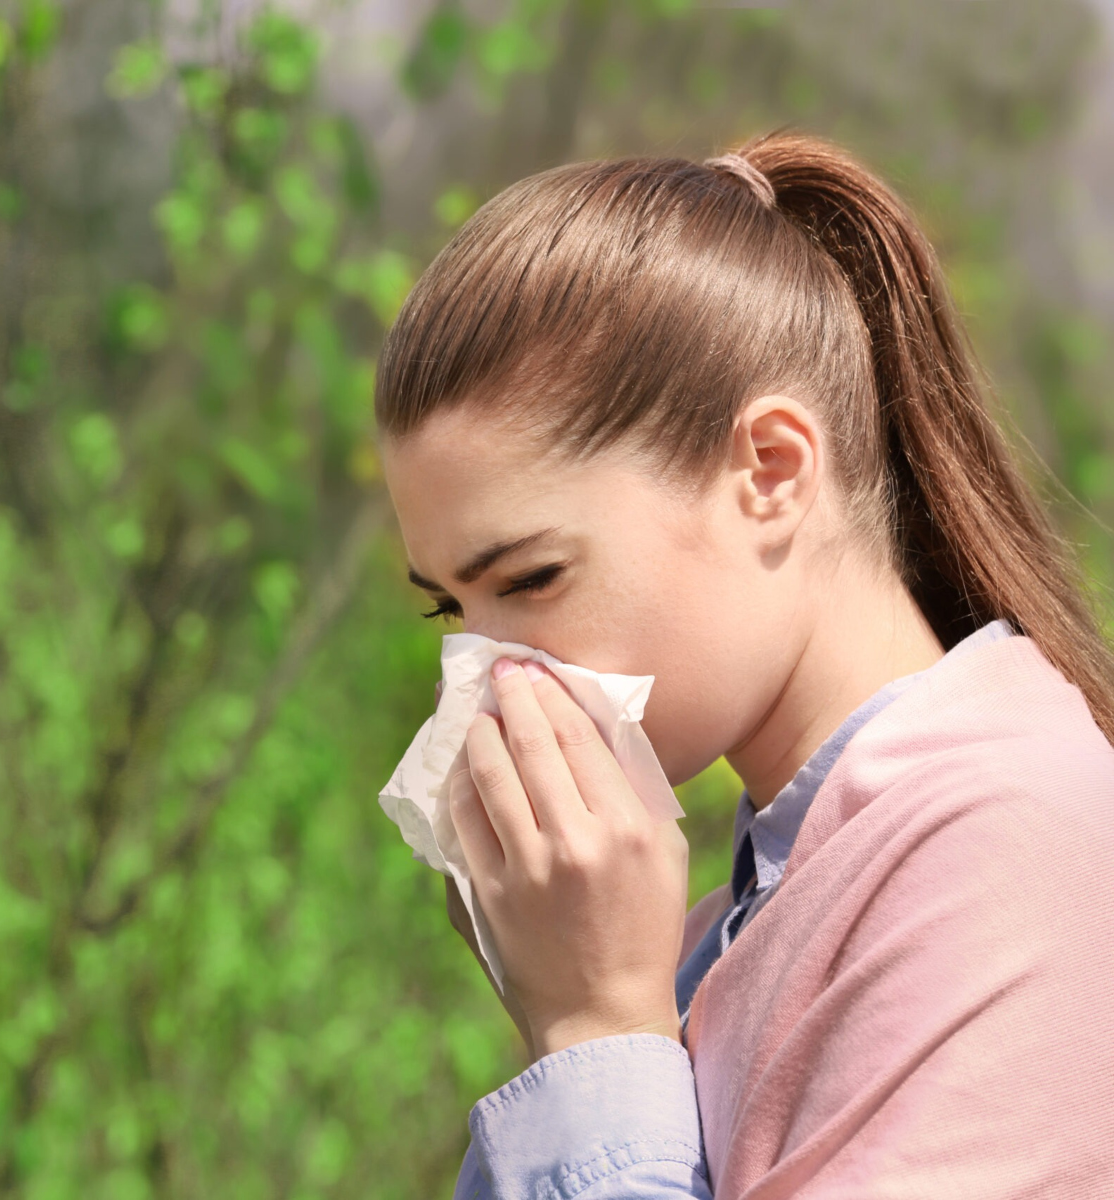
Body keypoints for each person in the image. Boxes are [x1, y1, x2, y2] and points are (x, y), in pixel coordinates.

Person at [375, 130, 1114, 1198]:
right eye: (454, 607)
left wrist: (594, 1026)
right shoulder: (731, 924)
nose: (490, 676)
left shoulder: (1015, 846)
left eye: (532, 580)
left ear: (769, 472)